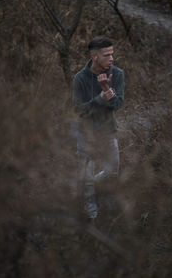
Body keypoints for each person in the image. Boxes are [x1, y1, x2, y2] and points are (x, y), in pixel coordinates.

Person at [72, 36, 125, 219]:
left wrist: (107, 91)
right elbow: (79, 110)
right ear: (94, 56)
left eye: (112, 54)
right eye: (107, 55)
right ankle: (91, 215)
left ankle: (94, 189)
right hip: (85, 132)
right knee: (86, 172)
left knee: (112, 171)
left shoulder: (117, 74)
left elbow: (118, 104)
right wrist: (99, 99)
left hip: (108, 130)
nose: (111, 58)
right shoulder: (80, 78)